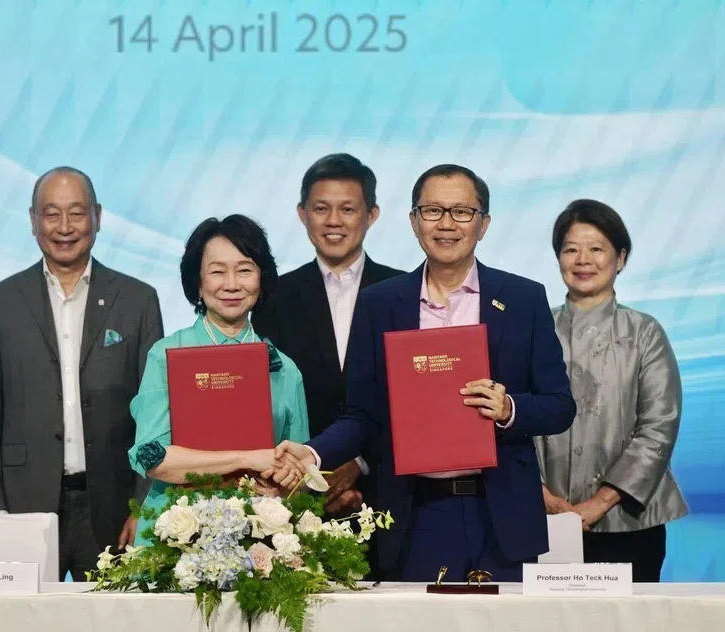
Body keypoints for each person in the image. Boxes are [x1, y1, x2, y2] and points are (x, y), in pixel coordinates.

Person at [276, 164, 577, 582]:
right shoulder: (380, 304)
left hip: (501, 515)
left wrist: (508, 408)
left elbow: (560, 407)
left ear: (484, 224)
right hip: (416, 514)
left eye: (462, 212)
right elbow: (362, 414)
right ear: (414, 222)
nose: (447, 224)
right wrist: (312, 453)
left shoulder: (523, 299)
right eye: (433, 211)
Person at [0, 166, 164, 581]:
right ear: (32, 220)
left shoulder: (138, 300)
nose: (64, 227)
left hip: (113, 510)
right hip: (23, 509)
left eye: (76, 213)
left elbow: (156, 416)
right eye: (51, 213)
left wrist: (144, 509)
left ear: (98, 216)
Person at [128, 215, 311, 539]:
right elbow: (152, 457)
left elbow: (299, 475)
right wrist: (247, 459)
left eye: (244, 269)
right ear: (197, 280)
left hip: (258, 538)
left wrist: (283, 490)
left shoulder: (284, 368)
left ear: (262, 278)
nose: (231, 284)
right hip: (173, 535)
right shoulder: (166, 355)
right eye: (217, 271)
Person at [537, 199, 688, 582]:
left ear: (620, 258)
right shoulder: (534, 329)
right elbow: (511, 418)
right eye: (571, 249)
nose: (583, 259)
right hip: (543, 519)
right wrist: (538, 493)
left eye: (597, 249)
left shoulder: (645, 333)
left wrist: (600, 502)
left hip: (629, 522)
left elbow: (659, 426)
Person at [252, 153, 403, 516]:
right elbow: (265, 399)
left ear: (372, 215)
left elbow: (414, 399)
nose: (333, 221)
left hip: (389, 493)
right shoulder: (272, 297)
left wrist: (361, 463)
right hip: (295, 496)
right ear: (303, 213)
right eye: (321, 208)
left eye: (348, 209)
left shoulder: (402, 292)